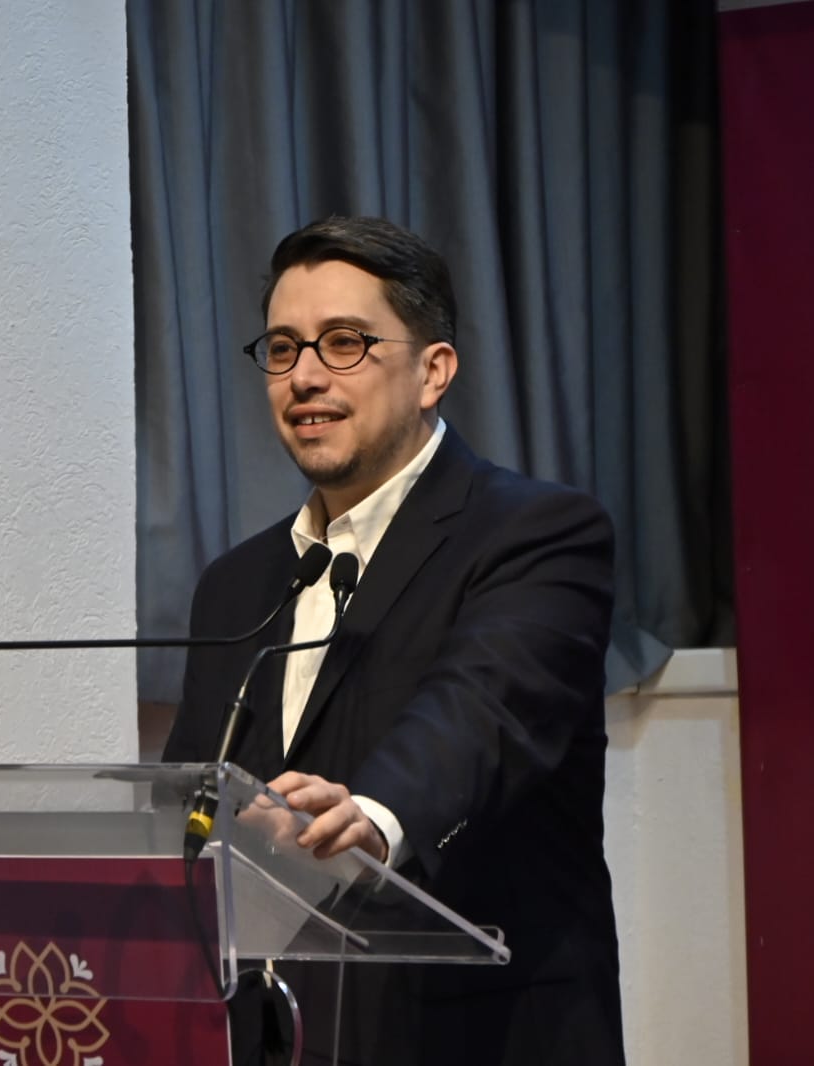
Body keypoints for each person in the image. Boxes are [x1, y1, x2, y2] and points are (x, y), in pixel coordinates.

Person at [163, 216, 625, 1065]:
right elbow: (194, 798)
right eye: (282, 348)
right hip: (279, 1037)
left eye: (344, 343)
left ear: (432, 371)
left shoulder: (536, 534)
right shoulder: (236, 583)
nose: (304, 376)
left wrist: (374, 819)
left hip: (473, 1034)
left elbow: (482, 711)